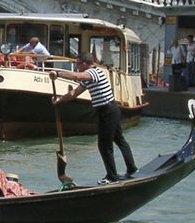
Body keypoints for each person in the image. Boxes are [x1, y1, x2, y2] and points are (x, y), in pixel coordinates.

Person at [50, 53, 138, 184]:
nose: (77, 66)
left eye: (78, 64)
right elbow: (75, 93)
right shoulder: (88, 78)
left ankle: (112, 177)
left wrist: (57, 74)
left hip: (108, 110)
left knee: (104, 145)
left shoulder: (93, 72)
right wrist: (60, 100)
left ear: (85, 64)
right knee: (119, 140)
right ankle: (131, 169)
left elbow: (75, 76)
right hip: (108, 110)